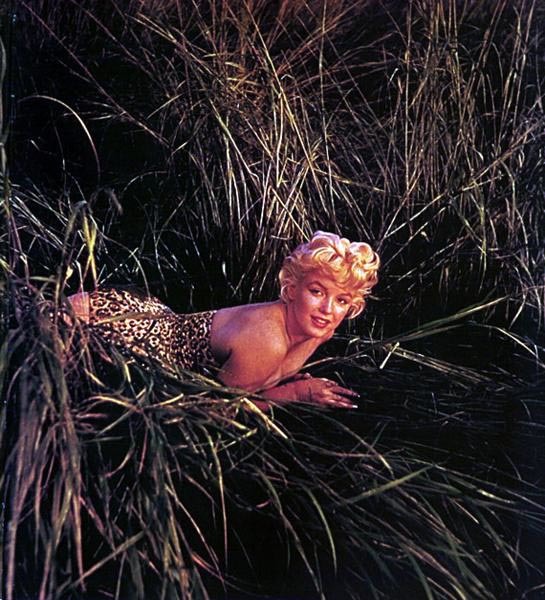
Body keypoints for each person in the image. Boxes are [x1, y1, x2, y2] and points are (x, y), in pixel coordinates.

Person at [67, 231, 380, 408]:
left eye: (341, 300)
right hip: (128, 334)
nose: (327, 309)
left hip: (153, 320)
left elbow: (259, 382)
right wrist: (299, 393)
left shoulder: (319, 329)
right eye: (317, 291)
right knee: (44, 326)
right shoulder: (267, 339)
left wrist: (284, 381)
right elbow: (218, 411)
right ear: (292, 288)